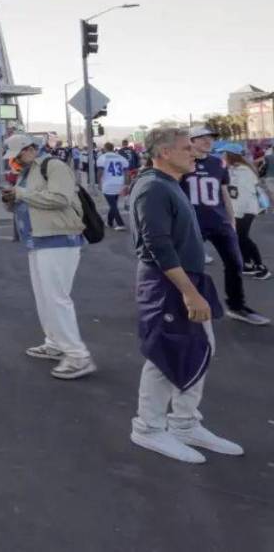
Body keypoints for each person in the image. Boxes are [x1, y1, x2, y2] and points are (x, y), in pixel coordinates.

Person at [128, 127, 241, 464]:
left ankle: (184, 423)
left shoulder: (168, 185)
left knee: (200, 347)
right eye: (185, 148)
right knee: (165, 354)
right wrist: (190, 293)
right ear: (163, 153)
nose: (194, 154)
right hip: (168, 284)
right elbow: (157, 246)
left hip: (185, 279)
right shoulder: (152, 188)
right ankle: (147, 427)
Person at [1, 135, 96, 380]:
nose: (15, 160)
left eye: (18, 155)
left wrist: (21, 194)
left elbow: (60, 198)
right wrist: (12, 200)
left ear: (31, 150)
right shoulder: (29, 170)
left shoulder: (53, 166)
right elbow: (28, 201)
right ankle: (55, 343)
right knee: (45, 297)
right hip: (39, 239)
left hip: (58, 238)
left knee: (56, 297)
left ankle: (77, 355)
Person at [181, 126, 268, 325]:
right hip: (193, 223)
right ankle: (185, 305)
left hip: (219, 221)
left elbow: (224, 192)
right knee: (190, 267)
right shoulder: (184, 163)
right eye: (201, 138)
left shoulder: (218, 163)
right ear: (191, 141)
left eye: (210, 138)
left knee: (234, 263)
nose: (207, 141)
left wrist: (231, 220)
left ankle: (236, 306)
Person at [222, 148, 269, 280]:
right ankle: (247, 264)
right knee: (239, 237)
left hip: (246, 210)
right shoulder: (233, 169)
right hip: (238, 210)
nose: (222, 156)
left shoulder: (243, 171)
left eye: (223, 154)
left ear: (230, 155)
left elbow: (245, 195)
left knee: (243, 238)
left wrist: (237, 213)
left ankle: (261, 267)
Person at [96, 142, 129, 230]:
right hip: (119, 182)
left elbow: (100, 172)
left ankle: (120, 223)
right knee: (113, 204)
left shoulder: (102, 158)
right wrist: (126, 184)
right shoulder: (121, 158)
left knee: (113, 205)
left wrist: (99, 183)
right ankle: (110, 222)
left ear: (105, 148)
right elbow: (126, 173)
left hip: (108, 183)